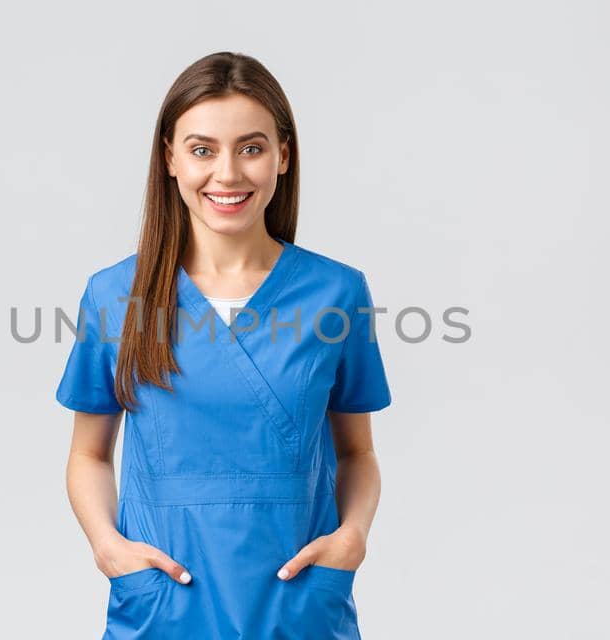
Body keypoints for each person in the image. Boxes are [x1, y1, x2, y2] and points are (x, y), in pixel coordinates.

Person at [57, 51, 392, 640]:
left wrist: (353, 537)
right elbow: (88, 454)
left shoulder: (337, 292)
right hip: (164, 605)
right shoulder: (114, 296)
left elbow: (357, 454)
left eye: (252, 148)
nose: (228, 174)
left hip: (297, 606)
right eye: (203, 149)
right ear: (170, 158)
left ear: (283, 156)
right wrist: (108, 548)